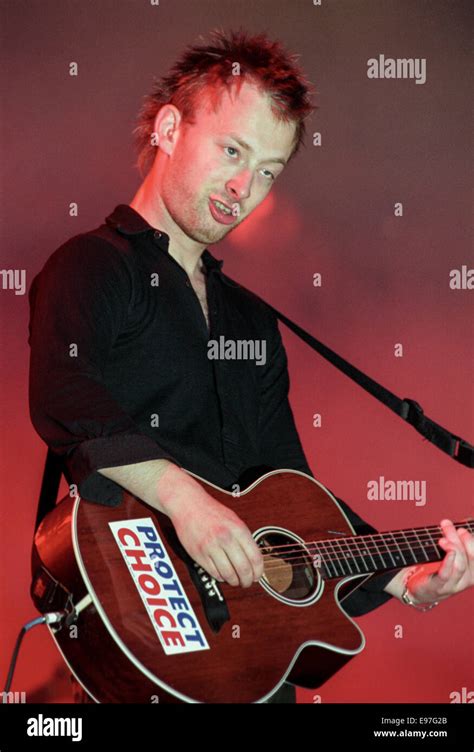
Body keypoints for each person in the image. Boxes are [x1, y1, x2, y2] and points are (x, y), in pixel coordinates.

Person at [28, 29, 474, 705]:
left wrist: (404, 581)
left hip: (248, 657)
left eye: (268, 170)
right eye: (232, 151)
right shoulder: (92, 265)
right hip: (136, 622)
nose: (245, 187)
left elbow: (292, 490)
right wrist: (187, 505)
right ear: (171, 128)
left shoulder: (251, 321)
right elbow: (64, 392)